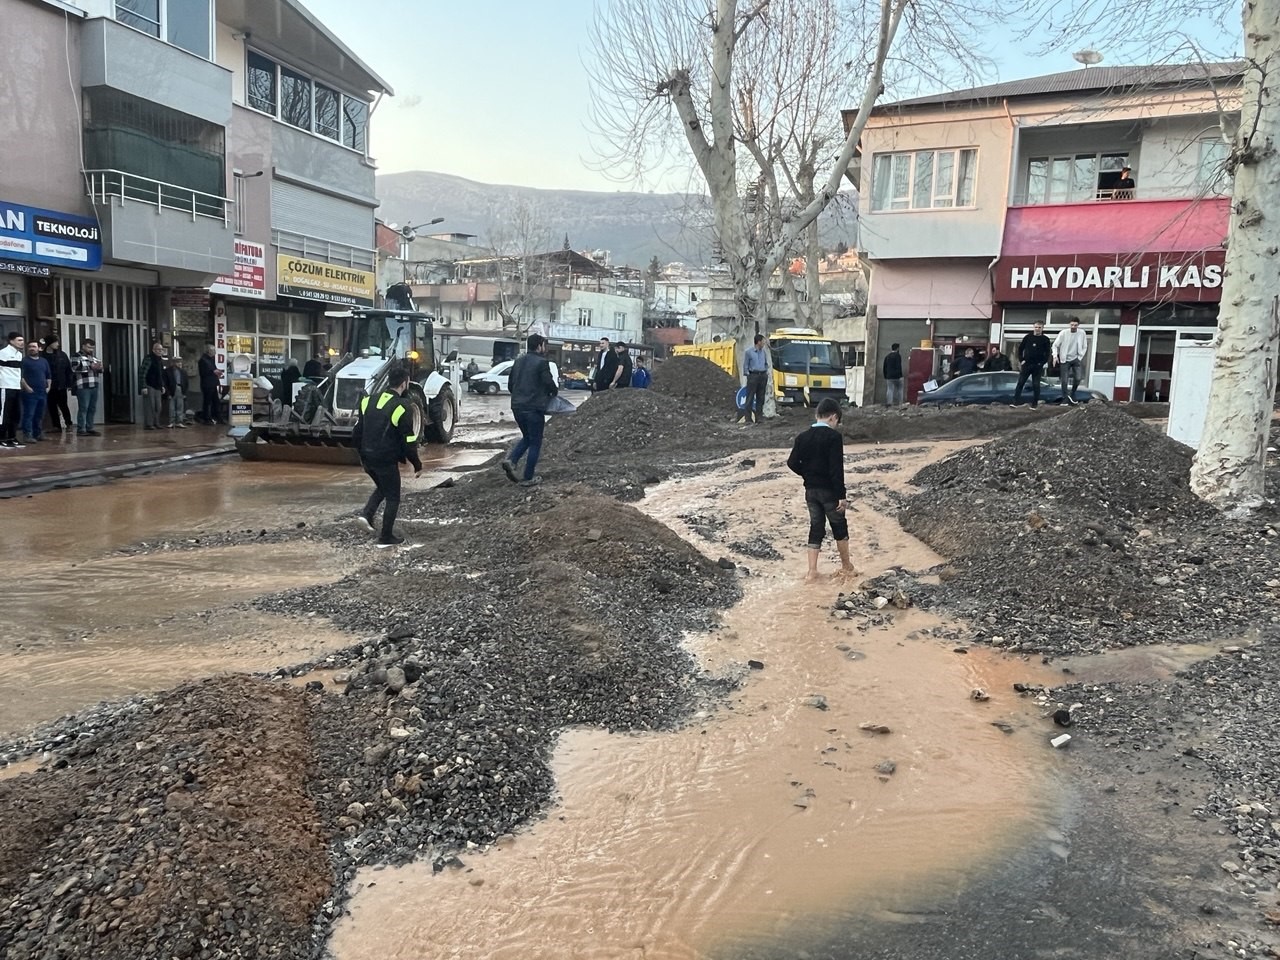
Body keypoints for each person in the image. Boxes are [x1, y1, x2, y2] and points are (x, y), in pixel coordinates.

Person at [352, 362, 422, 547]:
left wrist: (360, 455)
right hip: (385, 458)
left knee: (383, 487)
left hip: (367, 457)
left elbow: (357, 431)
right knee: (393, 497)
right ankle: (385, 537)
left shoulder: (367, 401)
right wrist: (417, 463)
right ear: (405, 383)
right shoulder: (402, 406)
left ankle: (366, 515)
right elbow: (408, 440)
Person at [787, 397, 856, 583]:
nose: (836, 425)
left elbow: (791, 462)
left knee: (816, 528)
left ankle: (812, 572)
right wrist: (841, 495)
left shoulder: (802, 437)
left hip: (810, 492)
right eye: (837, 422)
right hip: (829, 492)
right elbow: (836, 468)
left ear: (817, 415)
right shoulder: (833, 437)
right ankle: (846, 566)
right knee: (839, 526)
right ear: (833, 417)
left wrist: (807, 475)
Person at [500, 334, 558, 487]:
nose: (544, 348)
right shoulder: (542, 363)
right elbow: (549, 383)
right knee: (535, 442)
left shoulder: (518, 361)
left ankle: (512, 460)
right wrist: (554, 393)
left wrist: (519, 397)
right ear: (540, 346)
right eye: (544, 345)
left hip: (517, 406)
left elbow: (511, 384)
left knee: (527, 437)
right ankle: (528, 477)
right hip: (533, 408)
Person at [1013, 322, 1053, 408]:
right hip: (1027, 364)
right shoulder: (1028, 337)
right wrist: (1021, 360)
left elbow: (1047, 353)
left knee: (1036, 384)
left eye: (1039, 327)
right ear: (1033, 327)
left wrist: (1042, 363)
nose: (1037, 329)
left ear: (1042, 328)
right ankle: (1015, 402)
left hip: (1037, 365)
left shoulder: (1045, 339)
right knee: (1020, 383)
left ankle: (1034, 404)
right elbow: (1020, 349)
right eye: (1036, 327)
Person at [20, 338, 51, 442]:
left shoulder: (44, 361)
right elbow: (21, 376)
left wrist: (48, 387)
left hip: (42, 391)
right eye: (29, 347)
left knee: (40, 414)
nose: (31, 349)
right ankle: (27, 434)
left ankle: (38, 433)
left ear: (39, 348)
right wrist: (27, 387)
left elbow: (48, 375)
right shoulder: (24, 361)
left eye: (34, 347)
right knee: (29, 414)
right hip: (30, 392)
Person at [71, 337, 103, 436]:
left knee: (92, 408)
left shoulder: (94, 357)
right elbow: (74, 367)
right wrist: (90, 366)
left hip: (94, 384)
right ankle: (81, 429)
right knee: (83, 407)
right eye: (89, 347)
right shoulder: (76, 356)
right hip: (83, 385)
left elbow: (100, 369)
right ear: (83, 346)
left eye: (92, 348)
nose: (91, 350)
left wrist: (100, 367)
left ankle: (90, 427)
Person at [1054, 316, 1088, 404]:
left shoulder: (1082, 333)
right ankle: (1065, 398)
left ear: (1078, 325)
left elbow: (1084, 346)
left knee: (1078, 378)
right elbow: (1055, 345)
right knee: (1064, 380)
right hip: (1065, 359)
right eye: (1072, 325)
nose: (1073, 327)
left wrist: (1080, 357)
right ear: (1069, 324)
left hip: (1076, 358)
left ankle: (1072, 394)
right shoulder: (1064, 333)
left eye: (1075, 325)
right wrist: (1055, 356)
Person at [42, 337, 74, 433]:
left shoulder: (62, 355)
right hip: (49, 385)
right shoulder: (43, 356)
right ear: (49, 343)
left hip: (61, 384)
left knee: (63, 405)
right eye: (55, 342)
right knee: (51, 406)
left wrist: (69, 383)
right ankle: (56, 425)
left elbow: (68, 369)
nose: (57, 344)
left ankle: (68, 423)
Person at [0, 332, 23, 448]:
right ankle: (1, 437)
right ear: (11, 341)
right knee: (4, 413)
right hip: (5, 386)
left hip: (16, 386)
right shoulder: (3, 353)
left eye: (22, 340)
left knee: (15, 413)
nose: (22, 342)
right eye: (19, 340)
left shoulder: (19, 355)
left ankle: (11, 437)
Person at [743, 333, 770, 424]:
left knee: (761, 397)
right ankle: (748, 418)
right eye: (763, 341)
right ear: (758, 342)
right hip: (753, 376)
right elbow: (745, 365)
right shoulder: (749, 352)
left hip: (762, 376)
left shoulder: (763, 352)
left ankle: (759, 417)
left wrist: (765, 372)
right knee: (750, 397)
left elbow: (766, 364)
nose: (764, 343)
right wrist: (749, 375)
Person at [139, 341, 165, 430]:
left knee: (158, 406)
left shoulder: (160, 360)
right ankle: (149, 424)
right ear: (153, 350)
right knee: (150, 406)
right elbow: (142, 373)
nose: (160, 351)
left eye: (161, 350)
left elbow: (161, 374)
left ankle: (156, 422)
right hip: (149, 385)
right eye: (158, 349)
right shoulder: (149, 359)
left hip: (158, 386)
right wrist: (143, 386)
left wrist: (162, 385)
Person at [198, 343, 223, 424]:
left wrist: (217, 371)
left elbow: (214, 369)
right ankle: (207, 418)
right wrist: (213, 371)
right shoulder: (203, 360)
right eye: (213, 350)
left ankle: (217, 417)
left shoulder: (211, 359)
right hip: (207, 385)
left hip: (213, 384)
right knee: (207, 402)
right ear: (209, 351)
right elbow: (203, 372)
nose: (215, 352)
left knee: (216, 401)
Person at [163, 356, 189, 428]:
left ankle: (179, 421)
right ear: (173, 363)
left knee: (180, 406)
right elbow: (165, 383)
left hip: (180, 388)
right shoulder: (167, 371)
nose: (179, 363)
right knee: (171, 406)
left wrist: (185, 393)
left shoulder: (183, 372)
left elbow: (186, 383)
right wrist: (167, 393)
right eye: (177, 362)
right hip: (171, 389)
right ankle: (172, 421)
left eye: (180, 362)